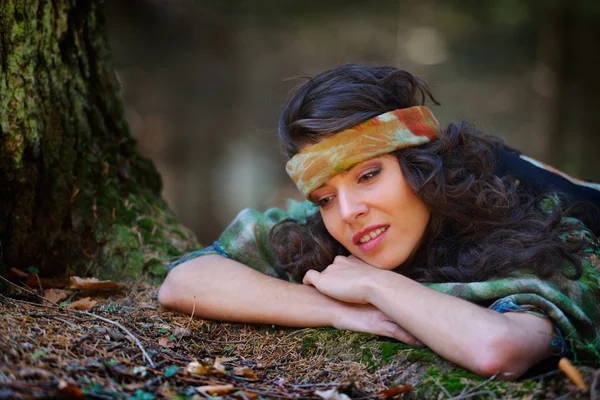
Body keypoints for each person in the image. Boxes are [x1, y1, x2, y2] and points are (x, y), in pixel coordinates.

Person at [158, 64, 600, 379]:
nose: (348, 212)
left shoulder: (537, 224)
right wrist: (335, 310)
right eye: (325, 197)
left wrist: (377, 286)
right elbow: (185, 281)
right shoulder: (333, 228)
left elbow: (500, 350)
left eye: (369, 175)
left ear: (422, 166)